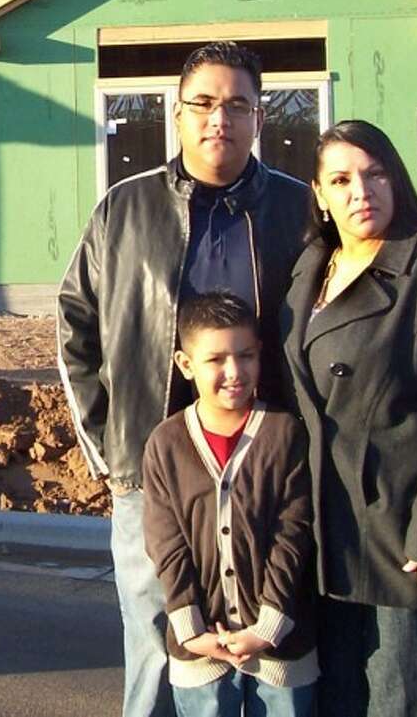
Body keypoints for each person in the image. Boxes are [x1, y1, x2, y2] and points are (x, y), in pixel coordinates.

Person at [57, 41, 312, 717]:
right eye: (203, 102)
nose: (218, 119)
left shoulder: (298, 210)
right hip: (150, 471)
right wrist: (107, 452)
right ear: (177, 112)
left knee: (266, 653)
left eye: (237, 104)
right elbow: (75, 324)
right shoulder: (125, 208)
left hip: (263, 475)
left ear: (260, 117)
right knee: (154, 645)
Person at [280, 119, 417, 717]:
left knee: (400, 705)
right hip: (325, 536)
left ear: (396, 179)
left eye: (375, 174)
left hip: (404, 540)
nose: (361, 191)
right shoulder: (308, 271)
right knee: (337, 702)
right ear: (320, 195)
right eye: (342, 179)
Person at [143, 292, 317, 717]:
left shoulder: (284, 433)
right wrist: (190, 628)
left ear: (260, 354)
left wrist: (269, 625)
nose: (234, 372)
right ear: (186, 364)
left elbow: (293, 534)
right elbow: (167, 545)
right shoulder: (166, 444)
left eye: (245, 356)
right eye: (215, 359)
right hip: (201, 648)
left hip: (280, 648)